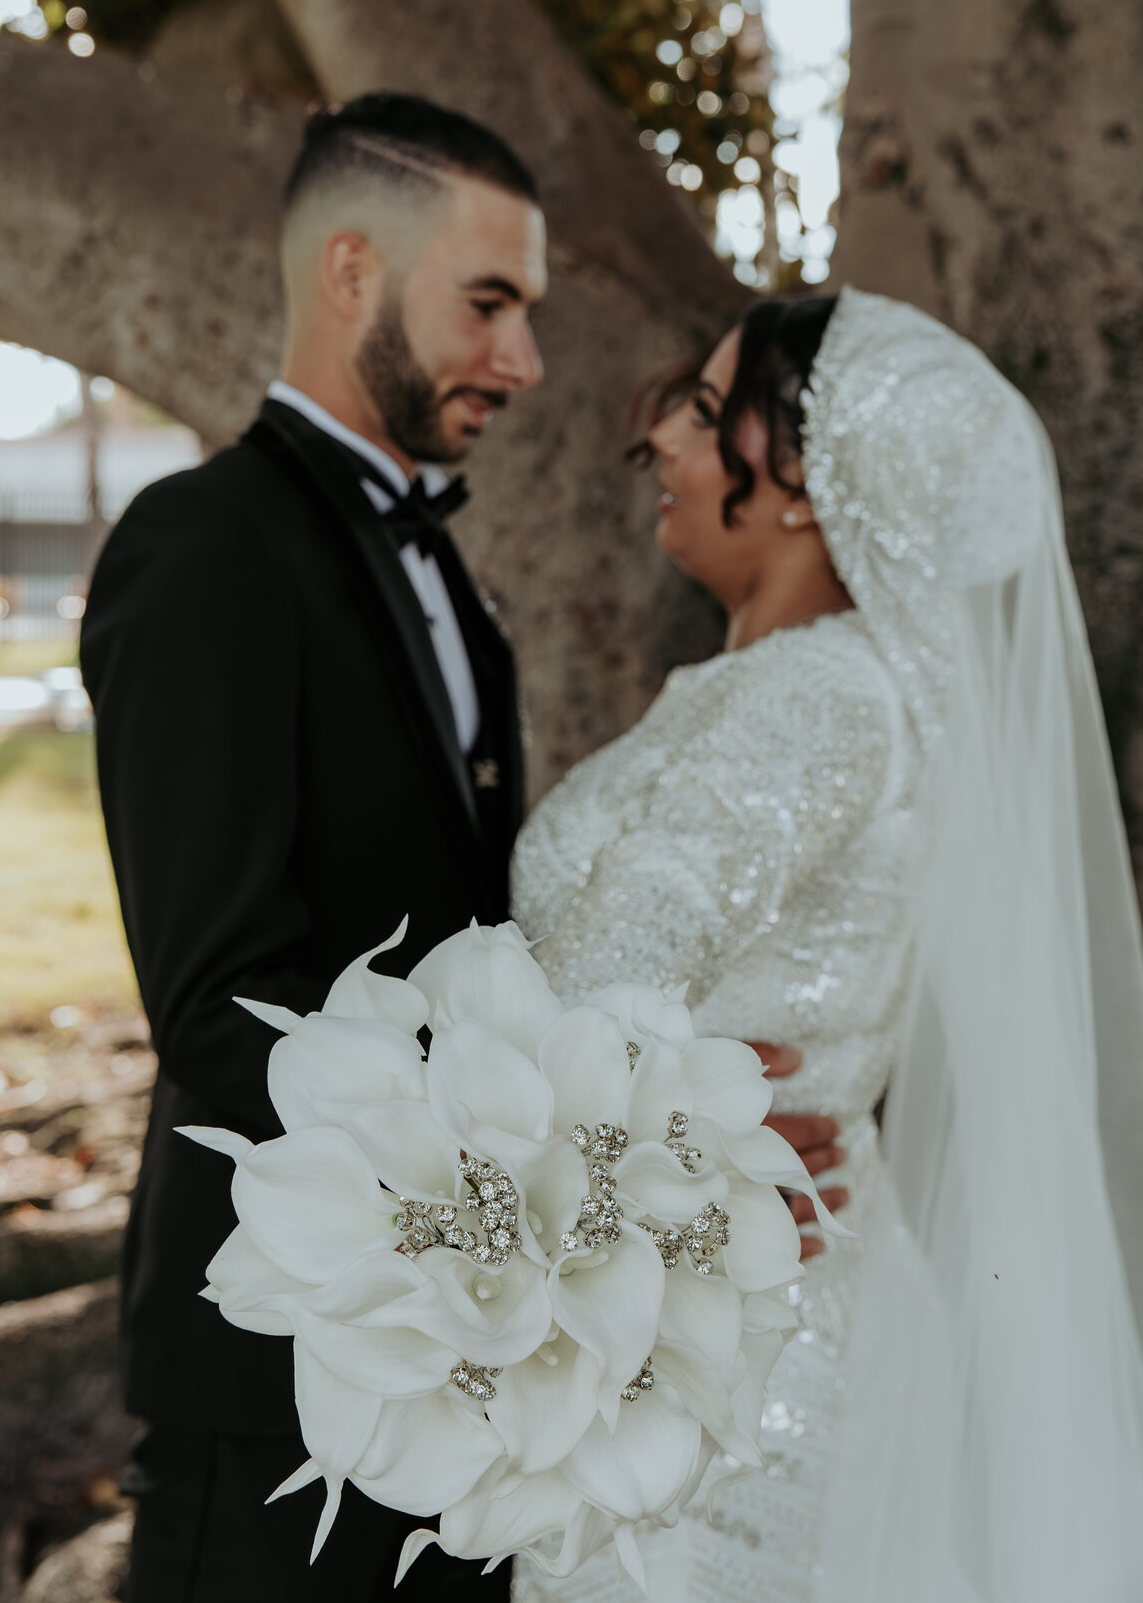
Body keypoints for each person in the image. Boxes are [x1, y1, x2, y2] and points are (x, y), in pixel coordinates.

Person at [80, 93, 841, 1603]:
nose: (528, 363)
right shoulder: (206, 547)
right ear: (352, 271)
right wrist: (601, 1165)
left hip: (468, 1372)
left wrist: (661, 1145)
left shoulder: (447, 578)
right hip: (285, 1362)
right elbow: (227, 1010)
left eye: (531, 313)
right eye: (489, 305)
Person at [509, 288, 1143, 1601]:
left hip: (719, 1356)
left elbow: (595, 989)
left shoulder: (812, 697)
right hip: (734, 1291)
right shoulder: (821, 687)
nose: (662, 449)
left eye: (702, 410)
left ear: (803, 478)